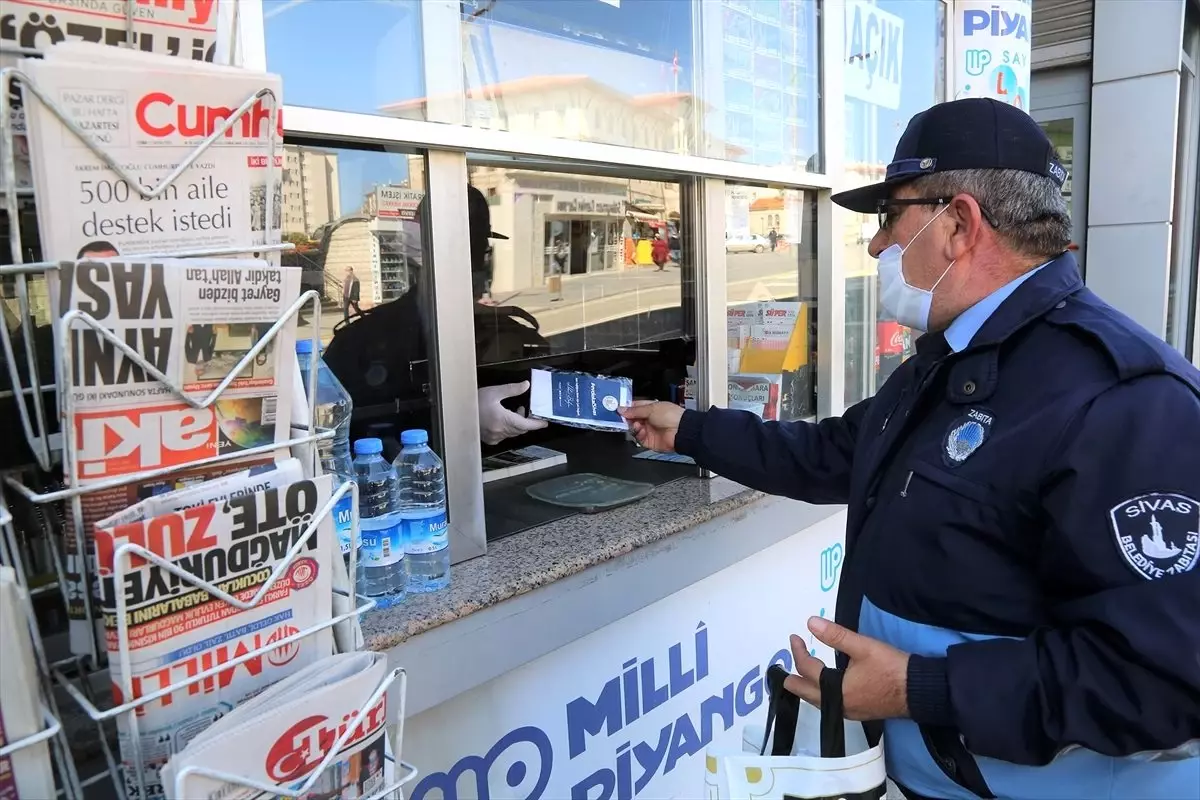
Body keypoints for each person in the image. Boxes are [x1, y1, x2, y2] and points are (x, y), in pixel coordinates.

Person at [621, 97, 1200, 800]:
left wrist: (915, 687)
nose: (874, 246)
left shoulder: (1124, 400)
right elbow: (835, 451)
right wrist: (688, 430)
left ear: (958, 223)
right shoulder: (958, 359)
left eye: (888, 218)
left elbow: (1158, 681)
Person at [323, 184, 547, 450]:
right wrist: (462, 418)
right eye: (478, 251)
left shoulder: (355, 341)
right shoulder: (358, 344)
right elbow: (342, 440)